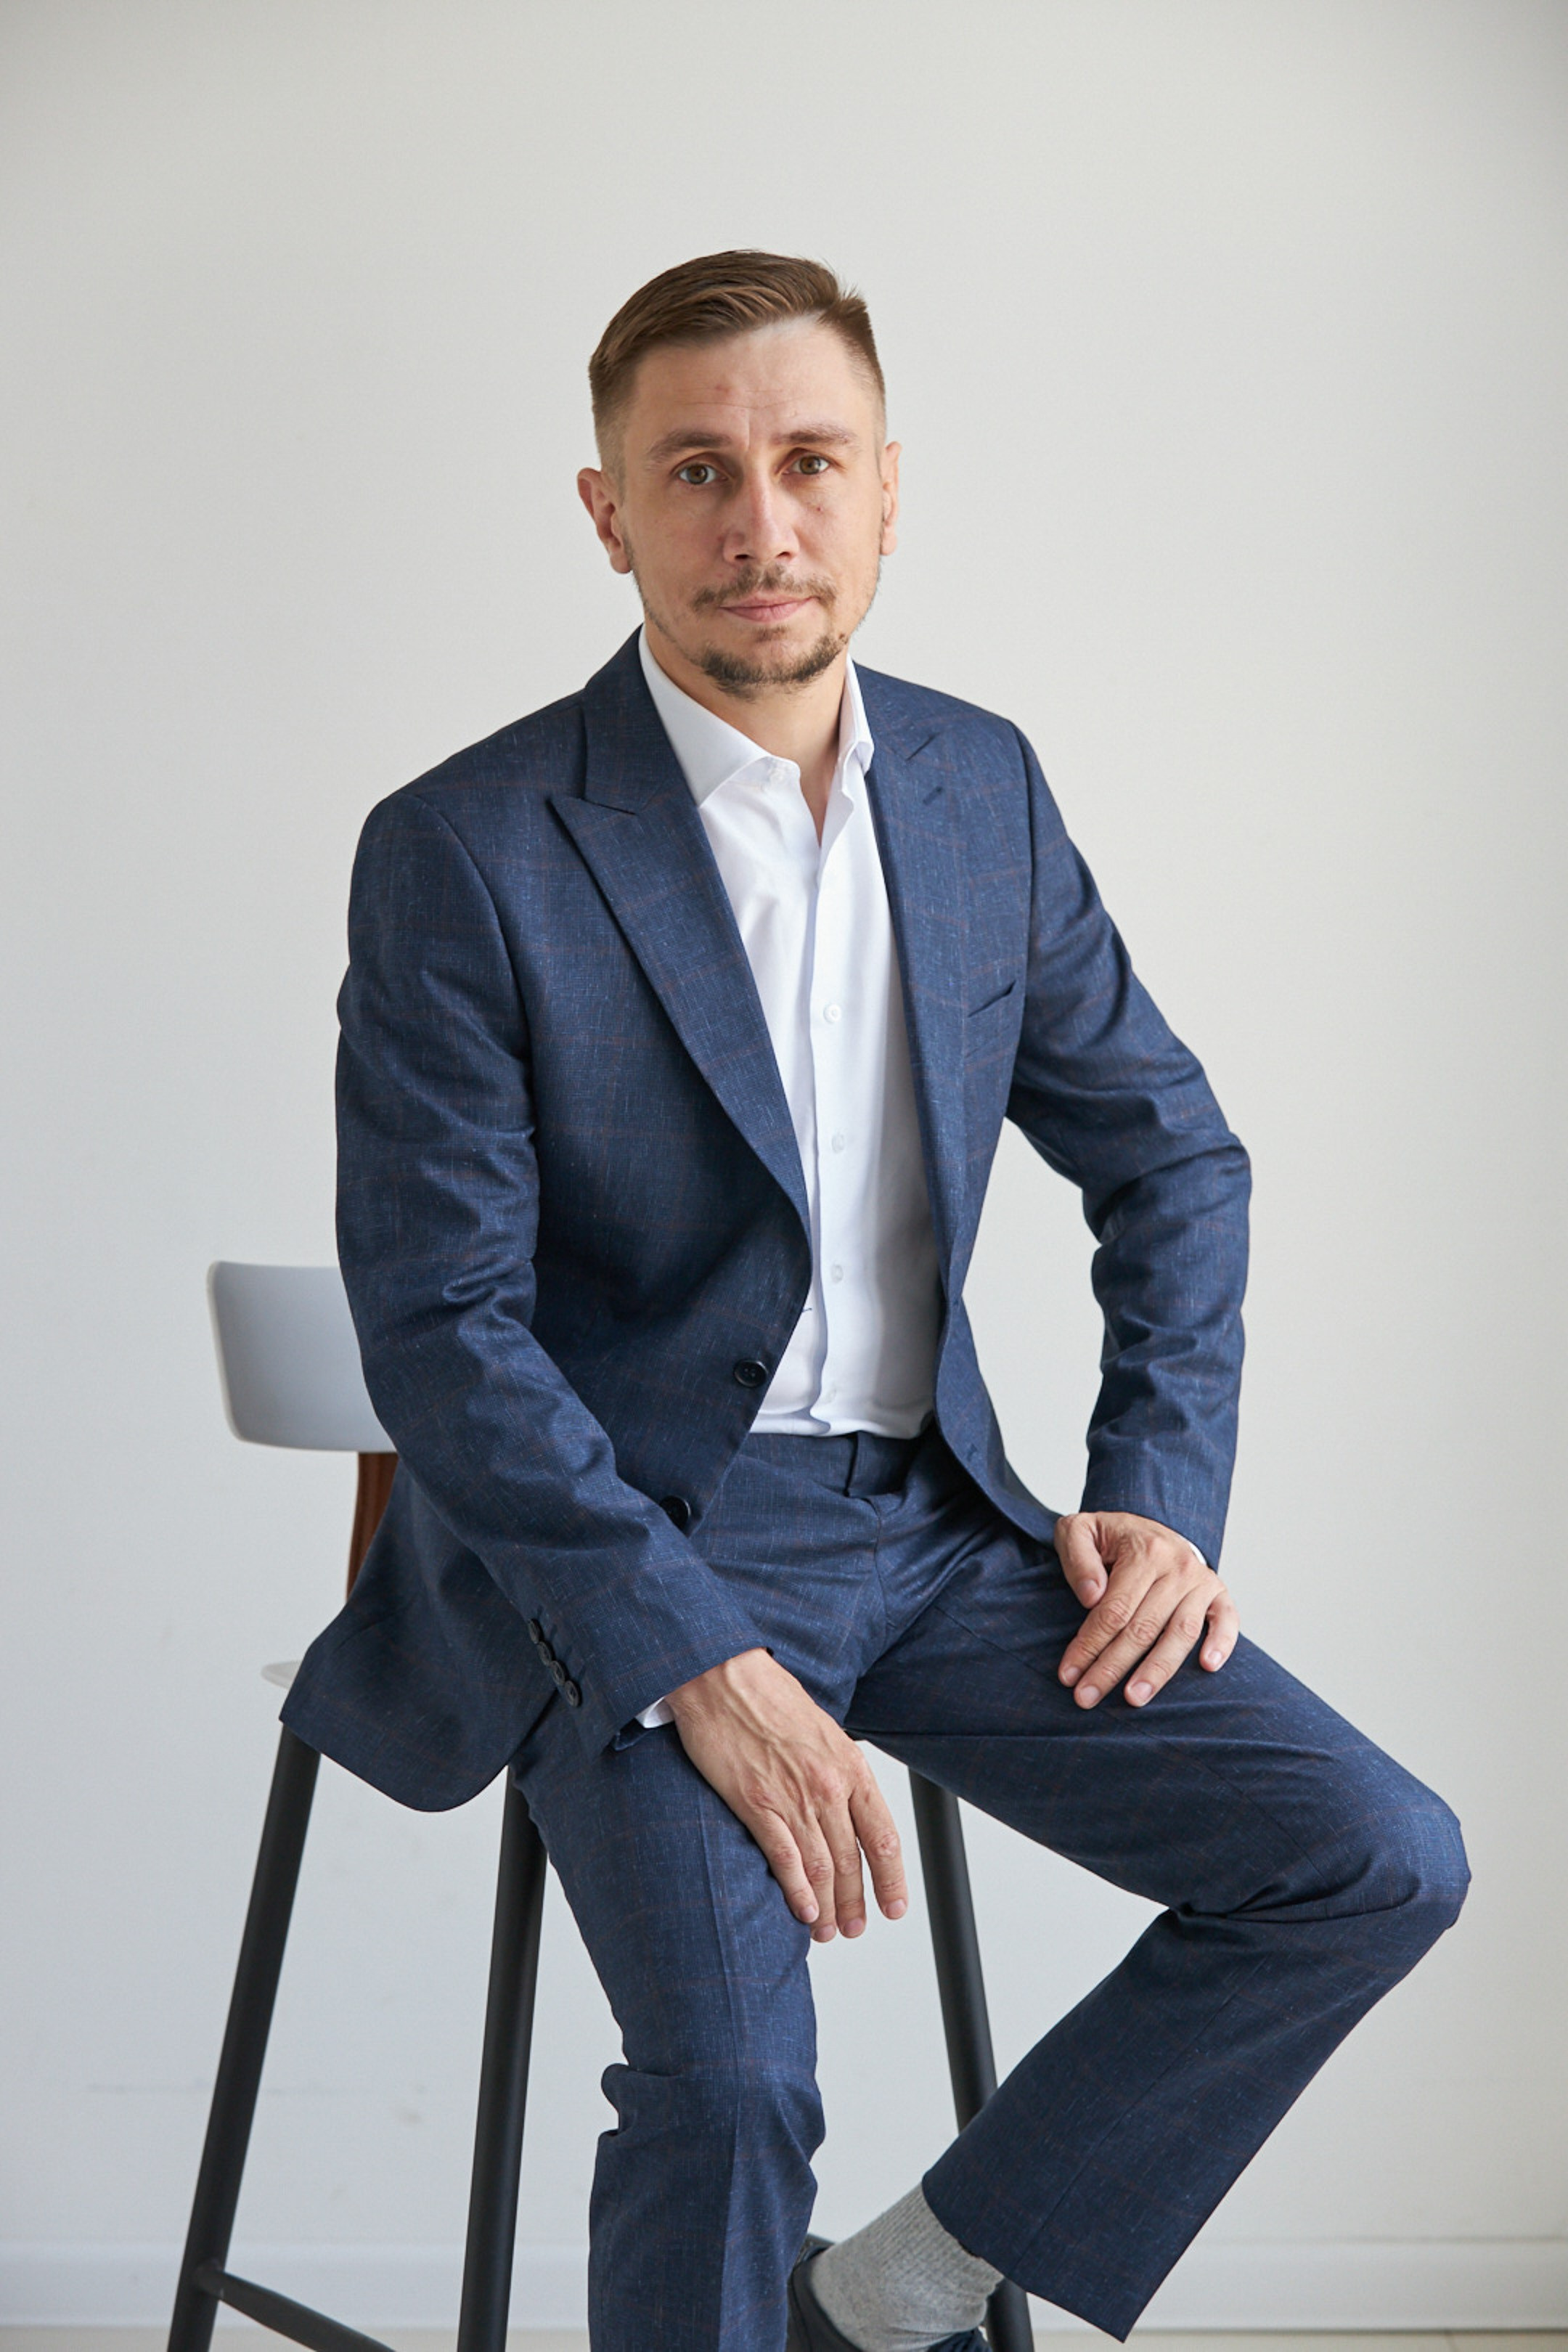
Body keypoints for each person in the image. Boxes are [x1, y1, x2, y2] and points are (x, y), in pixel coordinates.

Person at [284, 251, 1468, 2352]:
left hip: (942, 1535)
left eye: (809, 462)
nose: (763, 524)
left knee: (1371, 1857)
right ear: (608, 511)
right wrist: (697, 1658)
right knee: (737, 2087)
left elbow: (1173, 1150)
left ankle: (895, 2296)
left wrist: (1158, 1490)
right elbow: (445, 1323)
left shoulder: (974, 789)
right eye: (701, 471)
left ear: (890, 490)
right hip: (618, 1553)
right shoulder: (467, 849)